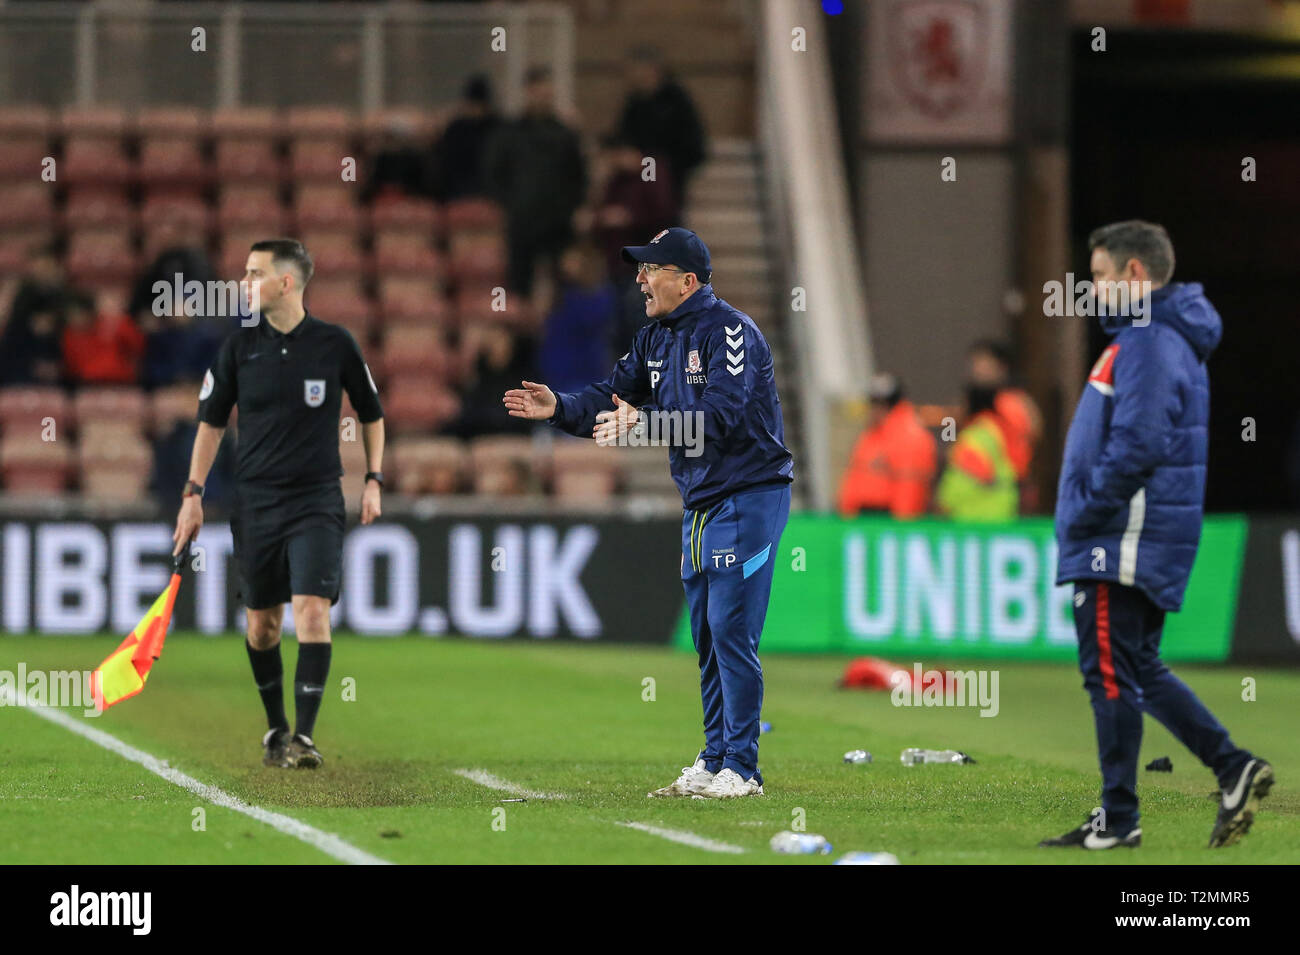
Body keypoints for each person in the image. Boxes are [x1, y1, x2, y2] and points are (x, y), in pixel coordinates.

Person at [504, 227, 793, 799]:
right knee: (708, 635)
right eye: (640, 268)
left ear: (688, 281)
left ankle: (743, 767)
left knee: (732, 630)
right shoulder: (655, 338)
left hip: (750, 494)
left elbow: (723, 421)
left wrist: (645, 425)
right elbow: (611, 396)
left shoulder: (729, 332)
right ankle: (715, 760)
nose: (639, 278)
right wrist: (559, 406)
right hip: (702, 501)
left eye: (651, 268)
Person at [1042, 220, 1271, 850]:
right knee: (1134, 666)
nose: (1093, 290)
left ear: (1135, 275)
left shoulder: (1148, 338)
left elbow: (1139, 442)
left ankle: (1119, 818)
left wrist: (1087, 512)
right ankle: (1231, 767)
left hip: (1123, 536)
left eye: (1100, 277)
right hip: (1132, 531)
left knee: (1110, 674)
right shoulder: (1158, 337)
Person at [171, 239, 386, 771]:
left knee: (313, 611)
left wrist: (375, 477)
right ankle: (276, 725)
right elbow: (211, 423)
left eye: (253, 274)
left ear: (286, 282)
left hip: (316, 499)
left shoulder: (335, 345)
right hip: (257, 502)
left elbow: (371, 412)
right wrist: (192, 495)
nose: (243, 284)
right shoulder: (239, 348)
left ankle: (305, 738)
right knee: (262, 625)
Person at [484, 66, 587, 296]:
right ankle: (523, 332)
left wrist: (574, 208)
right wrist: (512, 204)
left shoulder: (564, 135)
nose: (543, 96)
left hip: (558, 223)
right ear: (528, 92)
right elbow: (494, 174)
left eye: (547, 91)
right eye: (538, 90)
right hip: (523, 222)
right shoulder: (509, 134)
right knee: (520, 285)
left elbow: (578, 176)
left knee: (562, 286)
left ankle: (560, 331)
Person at [613, 46, 707, 218]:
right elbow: (623, 135)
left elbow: (691, 144)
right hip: (640, 175)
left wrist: (651, 162)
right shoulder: (635, 101)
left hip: (666, 173)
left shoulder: (676, 101)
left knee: (660, 217)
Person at [837, 373, 936, 518]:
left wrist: (898, 528)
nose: (873, 409)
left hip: (887, 522)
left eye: (879, 404)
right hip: (863, 520)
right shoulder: (871, 434)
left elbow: (910, 489)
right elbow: (855, 478)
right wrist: (847, 514)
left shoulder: (911, 437)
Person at [537, 242, 618, 395]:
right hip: (555, 374)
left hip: (586, 374)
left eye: (574, 260)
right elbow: (540, 318)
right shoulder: (561, 293)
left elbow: (594, 319)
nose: (566, 264)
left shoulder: (601, 296)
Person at [429, 73, 501, 202]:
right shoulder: (456, 129)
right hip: (457, 195)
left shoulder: (497, 129)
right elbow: (446, 165)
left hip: (489, 195)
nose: (476, 110)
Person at [61, 289, 145, 386]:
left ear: (90, 313)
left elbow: (138, 346)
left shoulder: (113, 324)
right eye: (71, 316)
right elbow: (70, 366)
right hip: (86, 385)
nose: (75, 320)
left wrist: (119, 322)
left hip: (121, 382)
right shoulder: (69, 336)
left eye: (79, 314)